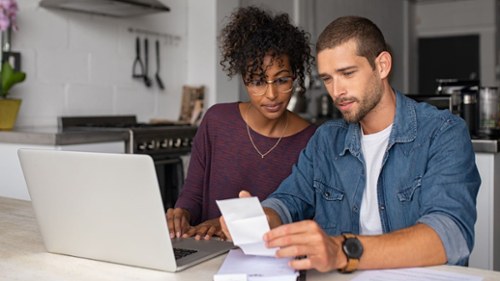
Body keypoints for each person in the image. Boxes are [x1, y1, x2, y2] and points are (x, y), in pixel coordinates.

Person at [221, 16, 481, 272]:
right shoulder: (326, 140)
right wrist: (262, 218)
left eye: (347, 73)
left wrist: (343, 251)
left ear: (382, 65)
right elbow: (289, 199)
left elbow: (450, 235)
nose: (336, 91)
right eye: (327, 78)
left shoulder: (443, 132)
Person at [166, 6, 316, 241]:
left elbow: (301, 214)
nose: (271, 94)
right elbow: (193, 194)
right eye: (257, 82)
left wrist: (228, 224)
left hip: (271, 263)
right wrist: (181, 214)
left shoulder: (312, 140)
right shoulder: (216, 121)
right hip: (206, 252)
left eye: (282, 80)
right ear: (244, 80)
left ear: (295, 77)